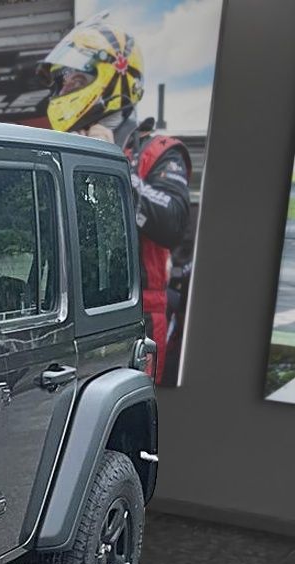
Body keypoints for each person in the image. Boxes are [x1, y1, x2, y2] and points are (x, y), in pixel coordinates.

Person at [40, 14, 192, 382]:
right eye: (63, 81)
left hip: (138, 315)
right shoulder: (61, 153)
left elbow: (172, 222)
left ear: (113, 78)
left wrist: (114, 166)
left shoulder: (160, 151)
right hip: (71, 311)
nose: (64, 89)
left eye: (76, 79)